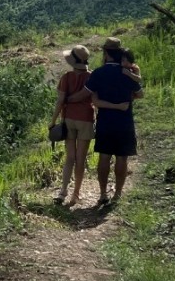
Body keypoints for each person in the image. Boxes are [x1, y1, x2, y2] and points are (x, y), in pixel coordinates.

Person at [85, 38, 142, 206]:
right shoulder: (127, 72)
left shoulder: (98, 73)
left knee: (104, 157)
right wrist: (127, 99)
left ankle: (103, 193)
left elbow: (91, 96)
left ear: (106, 53)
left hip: (105, 120)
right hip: (124, 120)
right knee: (122, 158)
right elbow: (139, 93)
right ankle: (117, 194)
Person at [51, 44, 94, 206]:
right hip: (86, 119)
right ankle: (76, 193)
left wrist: (53, 121)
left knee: (70, 157)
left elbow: (60, 101)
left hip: (69, 119)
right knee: (81, 159)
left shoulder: (66, 77)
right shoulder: (91, 77)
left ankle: (63, 191)